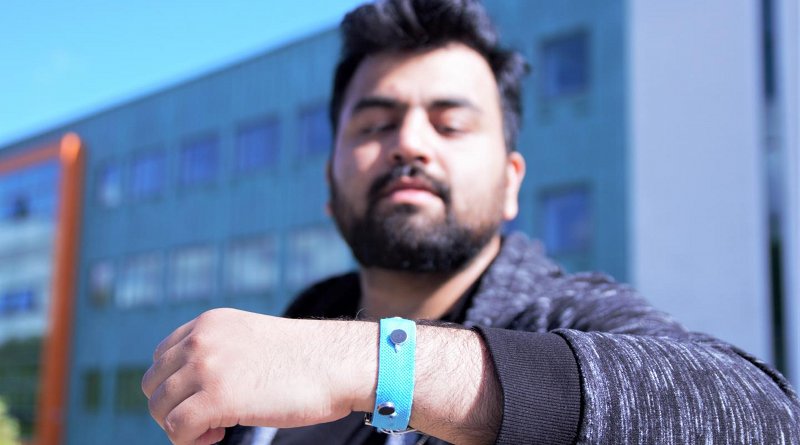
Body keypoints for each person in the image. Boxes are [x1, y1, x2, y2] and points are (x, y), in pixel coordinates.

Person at [141, 0, 800, 444]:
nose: (411, 144)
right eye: (375, 124)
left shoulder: (562, 314)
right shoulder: (284, 344)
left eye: (451, 123)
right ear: (329, 184)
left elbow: (766, 416)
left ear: (512, 181)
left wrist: (373, 363)